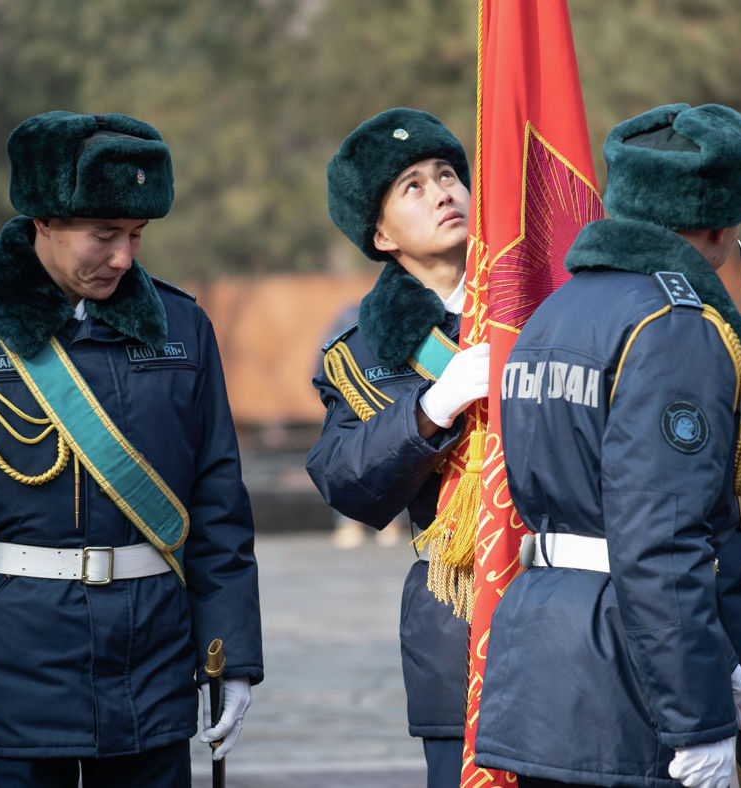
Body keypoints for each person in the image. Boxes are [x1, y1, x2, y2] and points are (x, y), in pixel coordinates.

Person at [0, 110, 264, 788]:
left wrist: (230, 657)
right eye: (103, 234)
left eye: (137, 235)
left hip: (155, 675)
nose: (123, 258)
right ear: (43, 221)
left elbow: (218, 504)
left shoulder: (183, 327)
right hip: (11, 680)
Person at [474, 103, 741, 788]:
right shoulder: (672, 325)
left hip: (548, 649)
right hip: (628, 665)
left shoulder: (558, 308)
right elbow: (659, 539)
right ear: (722, 224)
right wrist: (696, 720)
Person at [305, 107, 489, 788]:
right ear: (380, 235)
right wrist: (430, 409)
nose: (444, 191)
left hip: (575, 604)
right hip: (457, 615)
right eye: (412, 186)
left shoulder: (545, 307)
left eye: (448, 174)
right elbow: (346, 481)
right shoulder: (360, 355)